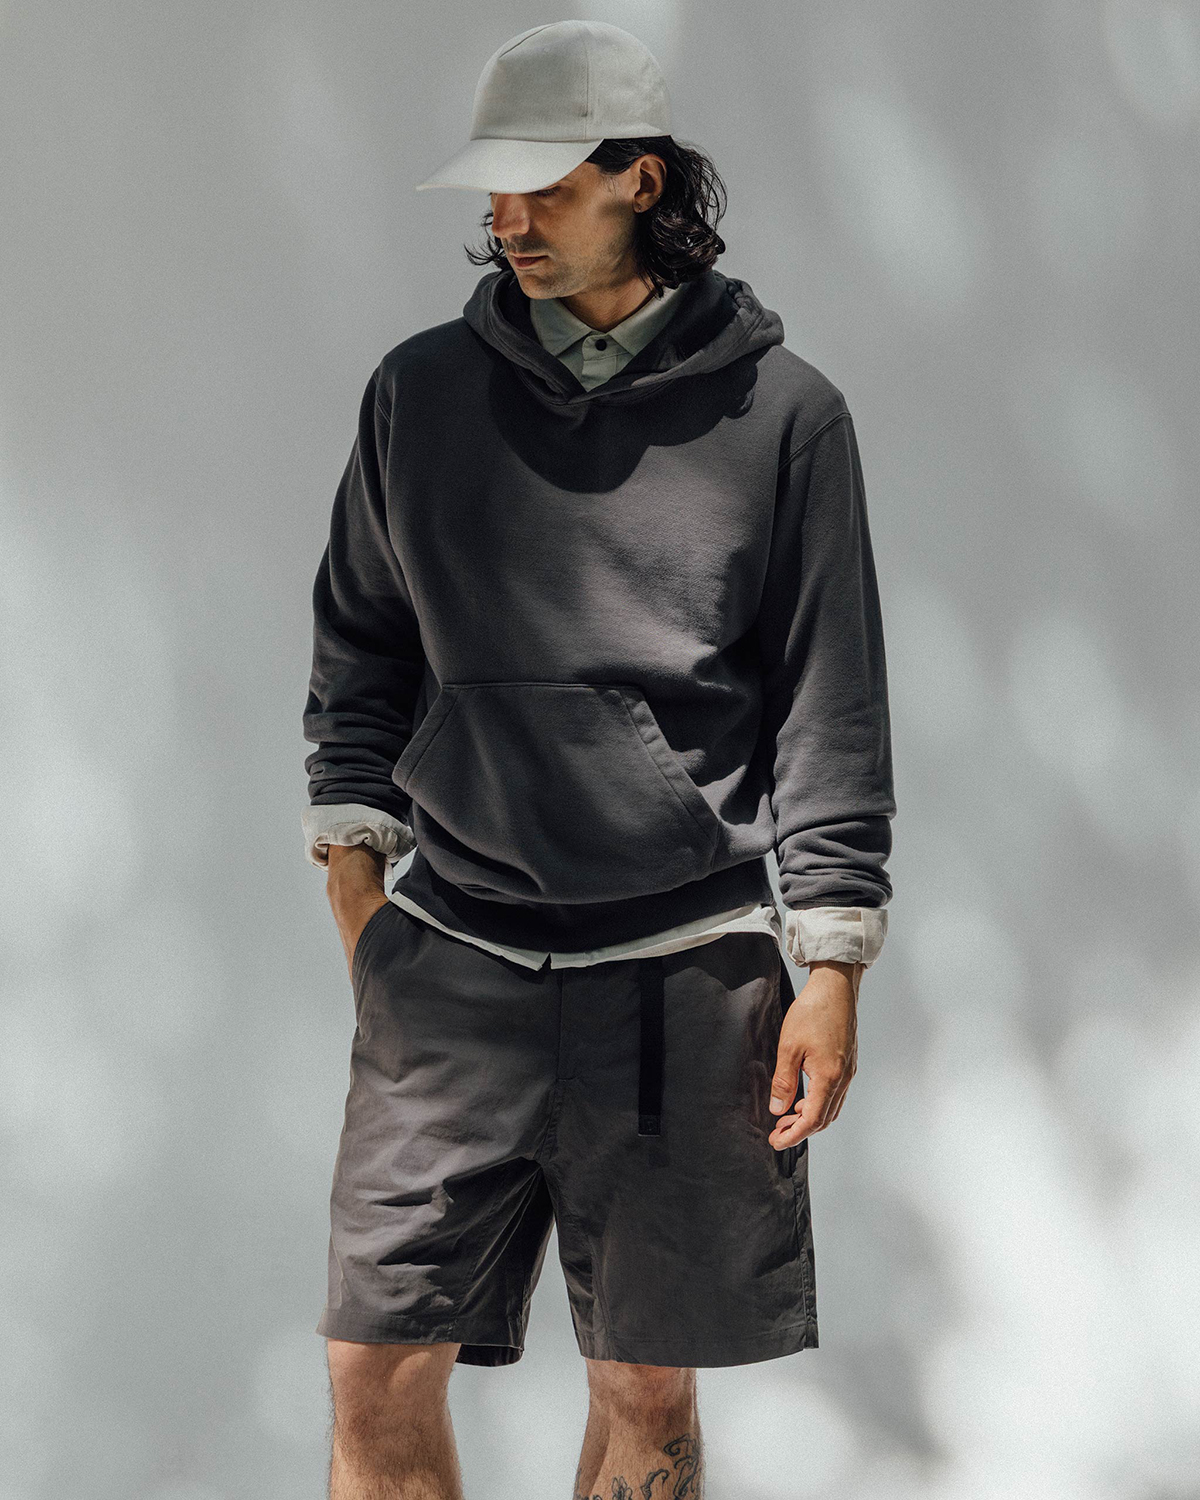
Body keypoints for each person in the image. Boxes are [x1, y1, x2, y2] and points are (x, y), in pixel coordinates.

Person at [300, 20, 895, 1499]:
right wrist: (358, 890)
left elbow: (828, 699)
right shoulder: (419, 394)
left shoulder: (787, 418)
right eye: (492, 192)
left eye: (546, 188)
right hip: (453, 963)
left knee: (646, 1389)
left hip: (684, 973)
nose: (507, 220)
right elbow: (361, 643)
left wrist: (831, 964)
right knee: (373, 1369)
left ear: (641, 178)